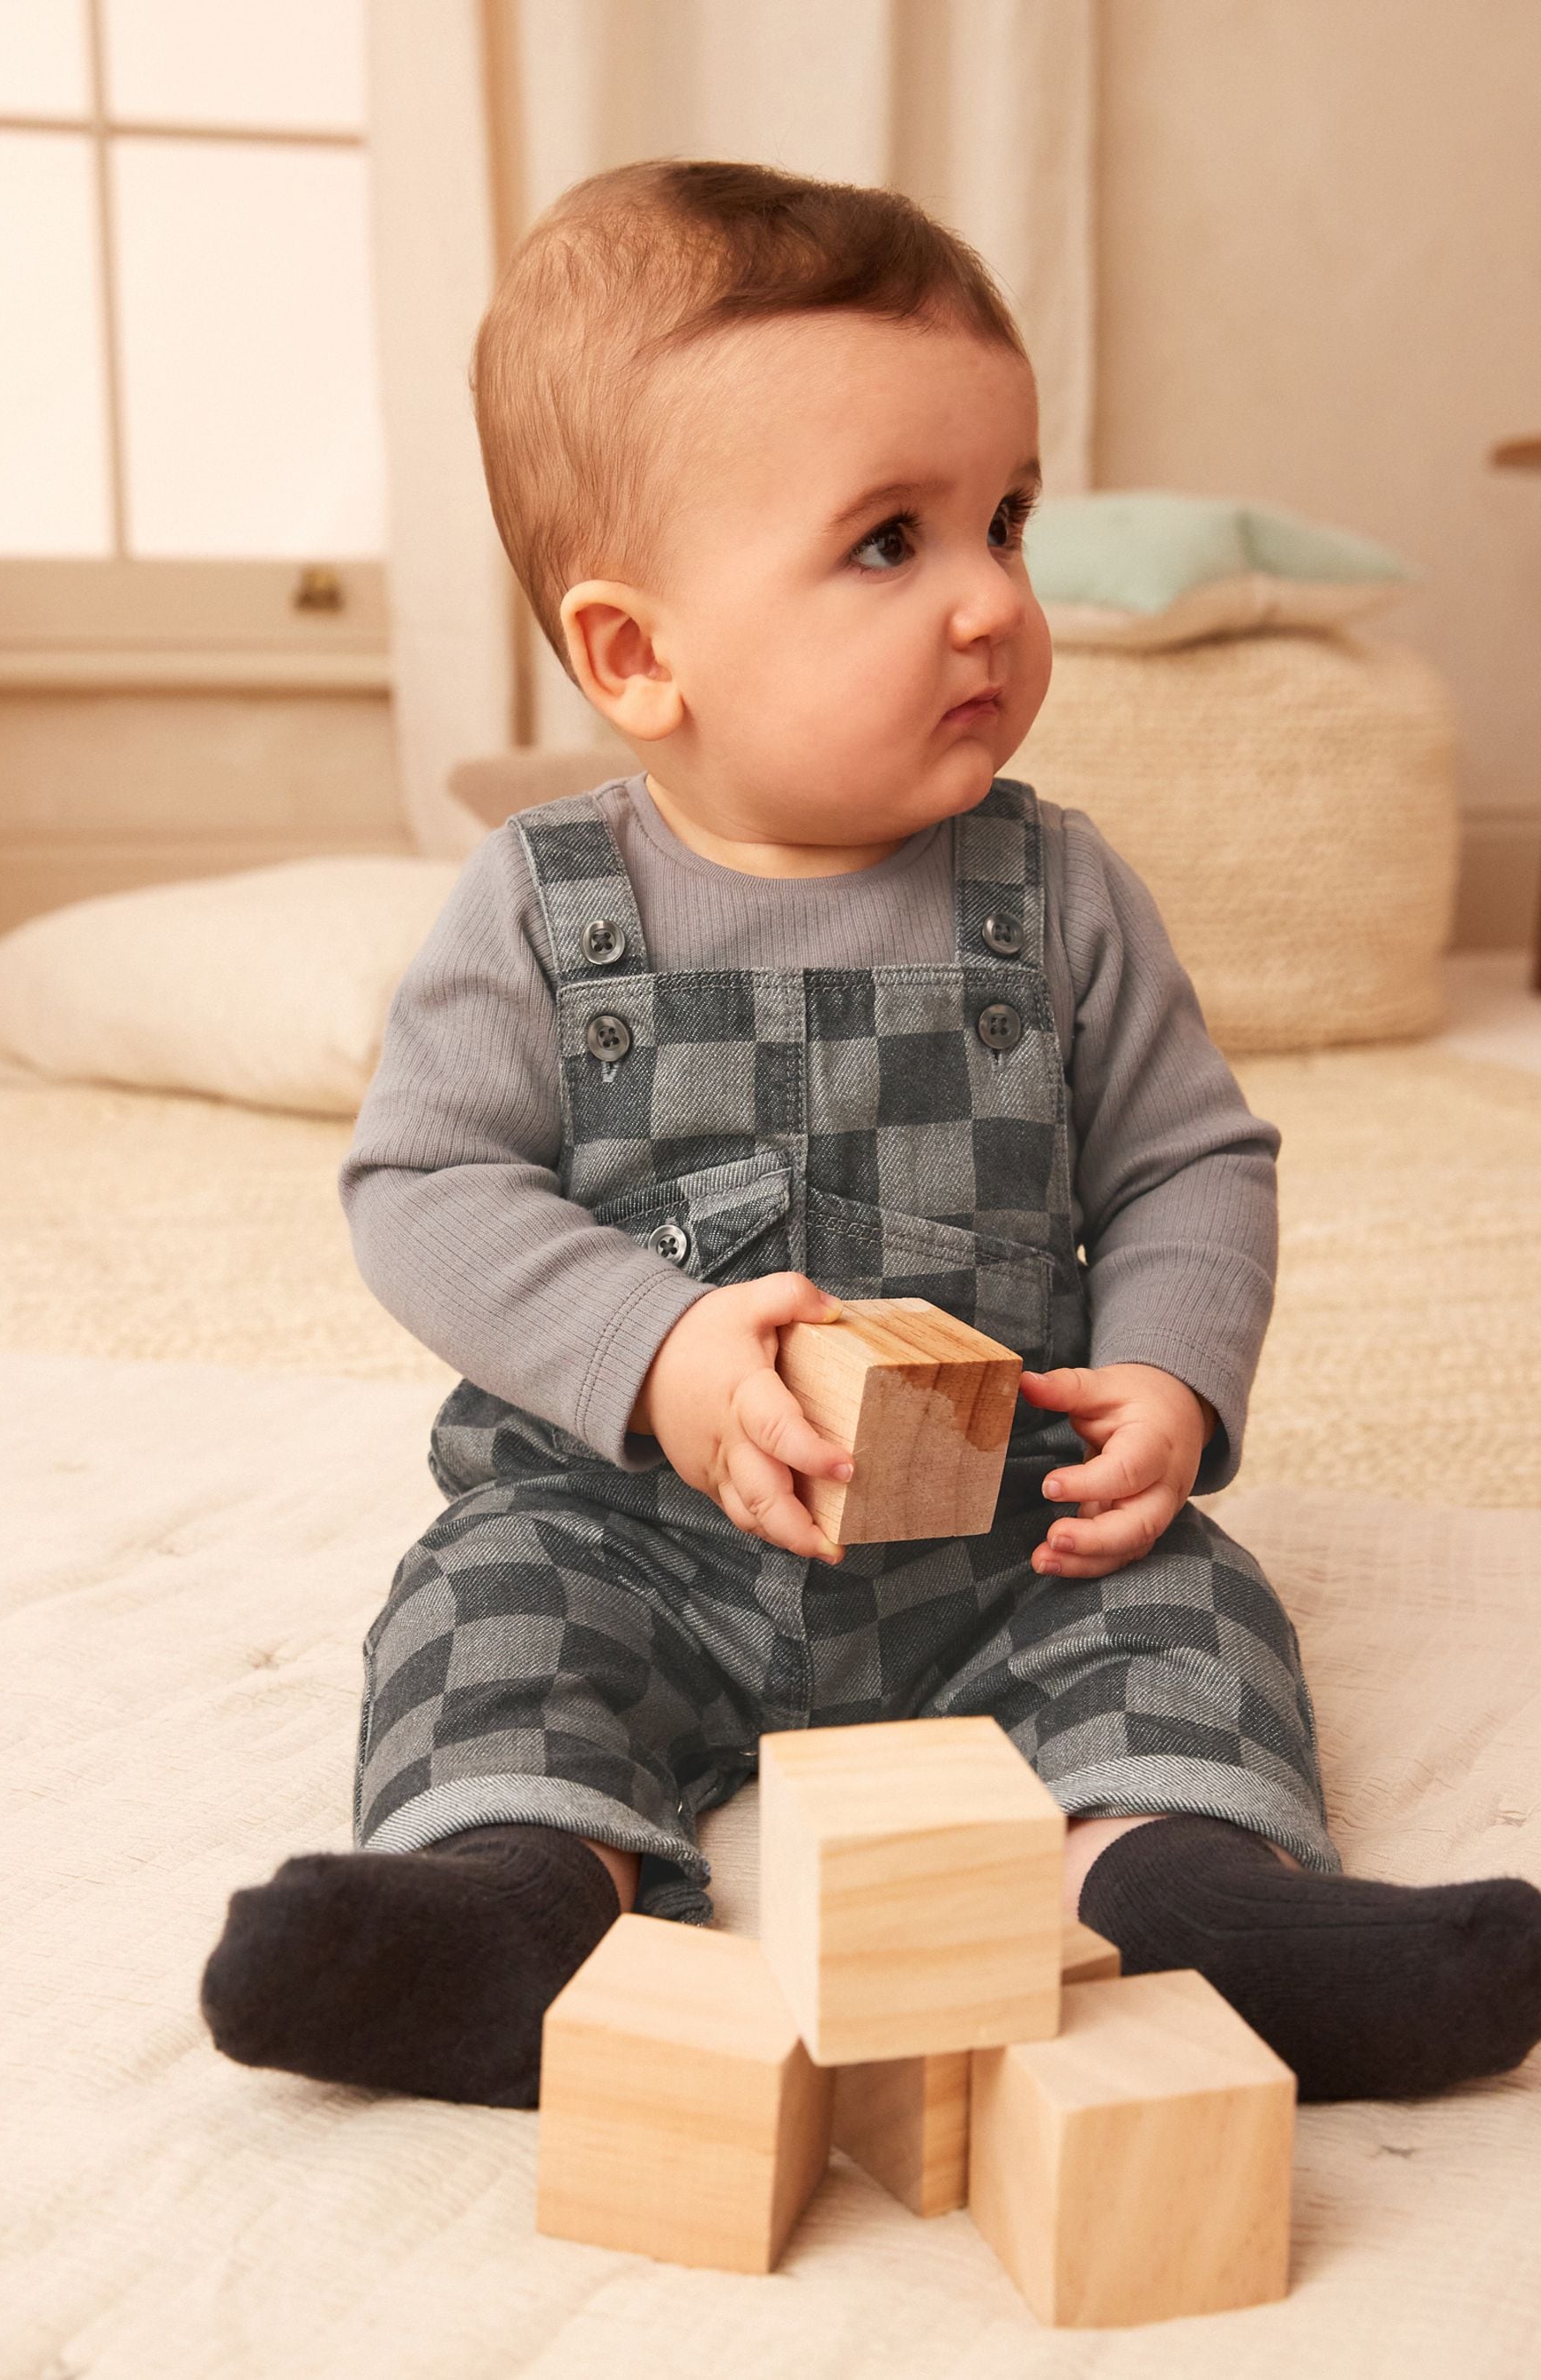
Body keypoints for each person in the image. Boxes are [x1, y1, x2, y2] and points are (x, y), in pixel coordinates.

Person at [200, 158, 1541, 2110]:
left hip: (1009, 1530)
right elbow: (420, 1187)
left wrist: (1170, 1376)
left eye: (1005, 518)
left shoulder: (1059, 894)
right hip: (628, 1526)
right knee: (486, 1615)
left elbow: (1189, 1162)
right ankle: (508, 1901)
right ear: (639, 652)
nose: (995, 596)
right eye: (890, 544)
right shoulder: (542, 908)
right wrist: (648, 1354)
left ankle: (1188, 1891)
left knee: (1184, 1606)